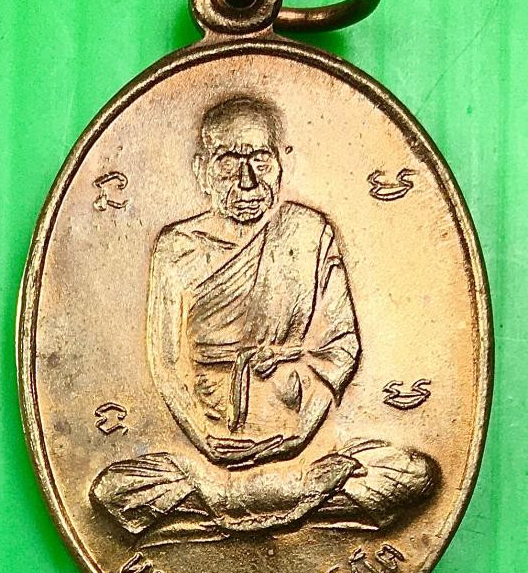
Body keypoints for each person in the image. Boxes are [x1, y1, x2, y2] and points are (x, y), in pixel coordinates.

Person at [91, 97, 437, 539]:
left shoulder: (309, 233)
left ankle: (224, 511)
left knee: (411, 474)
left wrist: (300, 431)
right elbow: (165, 361)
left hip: (300, 443)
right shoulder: (177, 248)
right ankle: (282, 501)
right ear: (201, 170)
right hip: (209, 455)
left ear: (280, 163)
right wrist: (204, 438)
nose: (248, 180)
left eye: (260, 160)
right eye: (229, 163)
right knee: (113, 489)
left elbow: (341, 345)